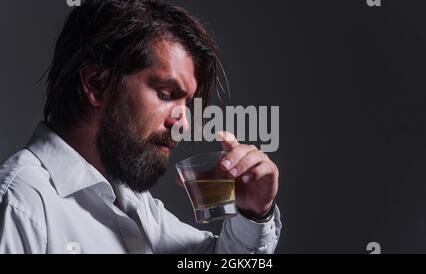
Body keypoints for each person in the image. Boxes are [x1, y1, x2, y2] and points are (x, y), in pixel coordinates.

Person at [0, 0, 281, 254]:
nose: (183, 122)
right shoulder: (20, 204)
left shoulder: (134, 203)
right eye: (167, 93)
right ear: (97, 84)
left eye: (188, 103)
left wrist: (254, 212)